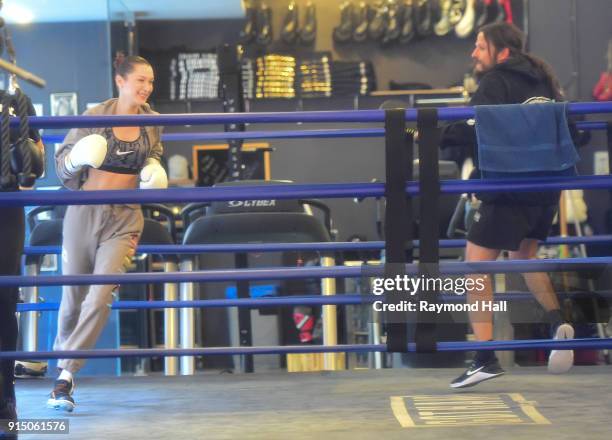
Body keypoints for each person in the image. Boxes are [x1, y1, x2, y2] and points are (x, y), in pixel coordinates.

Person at [439, 22, 575, 389]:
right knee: (524, 256)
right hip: (544, 189)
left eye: (480, 46)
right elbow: (570, 125)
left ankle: (484, 357)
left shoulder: (497, 80)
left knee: (474, 268)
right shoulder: (545, 80)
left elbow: (473, 124)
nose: (473, 53)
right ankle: (557, 323)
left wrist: (436, 133)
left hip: (507, 187)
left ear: (501, 52)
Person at [49, 54, 167, 412]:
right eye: (140, 81)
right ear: (121, 81)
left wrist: (153, 167)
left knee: (101, 297)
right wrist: (74, 160)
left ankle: (65, 378)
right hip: (85, 211)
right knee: (72, 298)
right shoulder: (94, 116)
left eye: (150, 81)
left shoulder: (154, 123)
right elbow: (62, 171)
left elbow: (156, 155)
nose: (146, 88)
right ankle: (57, 362)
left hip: (125, 219)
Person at [0, 89, 45, 437]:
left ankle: (5, 400)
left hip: (6, 209)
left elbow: (35, 170)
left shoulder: (15, 105)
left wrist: (27, 150)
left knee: (3, 303)